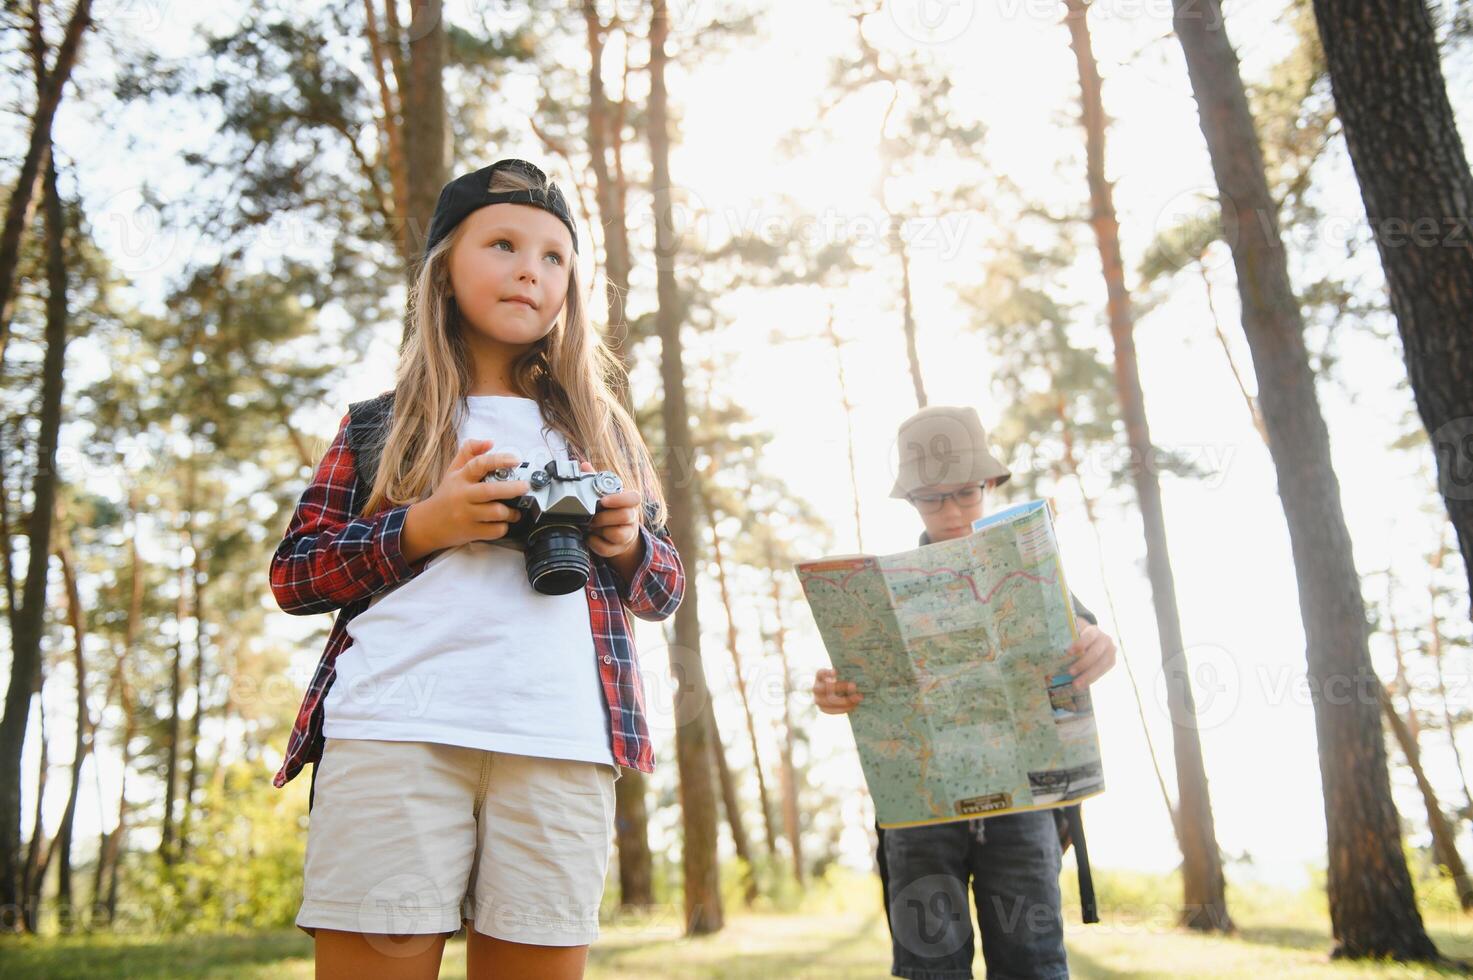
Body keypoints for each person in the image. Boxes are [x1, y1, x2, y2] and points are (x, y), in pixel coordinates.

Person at [267, 158, 684, 980]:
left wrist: (627, 540)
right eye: (502, 244)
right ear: (443, 272)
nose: (531, 267)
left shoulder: (603, 436)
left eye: (555, 256)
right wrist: (424, 527)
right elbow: (295, 576)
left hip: (559, 745)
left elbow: (663, 590)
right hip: (394, 735)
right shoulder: (379, 428)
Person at [812, 405, 1117, 980]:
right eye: (932, 498)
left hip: (1024, 803)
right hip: (921, 809)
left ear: (990, 486)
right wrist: (834, 691)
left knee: (1032, 961)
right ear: (912, 502)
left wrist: (1099, 645)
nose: (951, 512)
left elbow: (1080, 638)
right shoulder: (879, 589)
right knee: (931, 966)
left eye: (966, 493)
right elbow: (857, 681)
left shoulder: (1031, 567)